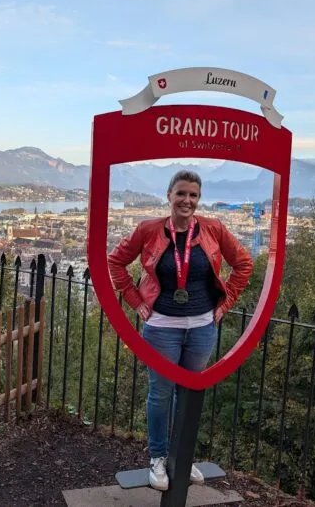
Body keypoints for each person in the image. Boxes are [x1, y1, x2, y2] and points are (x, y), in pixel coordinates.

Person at [107, 170, 253, 491]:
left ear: (198, 199)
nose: (187, 200)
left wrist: (225, 303)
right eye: (181, 193)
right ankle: (158, 457)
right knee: (160, 394)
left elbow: (243, 264)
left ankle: (182, 458)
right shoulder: (149, 230)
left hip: (202, 327)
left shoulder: (213, 229)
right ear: (169, 195)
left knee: (189, 394)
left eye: (193, 195)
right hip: (161, 327)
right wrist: (135, 299)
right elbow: (115, 262)